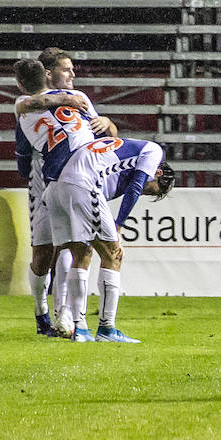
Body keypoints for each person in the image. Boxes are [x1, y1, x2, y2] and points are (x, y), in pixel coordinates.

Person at [13, 49, 117, 337]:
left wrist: (108, 124)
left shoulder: (80, 100)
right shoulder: (30, 105)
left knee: (72, 245)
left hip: (74, 177)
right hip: (42, 180)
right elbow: (23, 153)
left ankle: (65, 316)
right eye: (66, 69)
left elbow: (105, 137)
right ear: (48, 73)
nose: (72, 74)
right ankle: (41, 314)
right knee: (43, 252)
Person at [45, 135, 173, 343]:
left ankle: (81, 330)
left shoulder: (124, 156)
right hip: (83, 183)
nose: (145, 194)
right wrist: (118, 226)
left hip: (56, 186)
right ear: (157, 173)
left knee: (81, 253)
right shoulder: (154, 151)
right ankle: (107, 329)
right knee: (113, 255)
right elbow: (136, 186)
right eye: (153, 190)